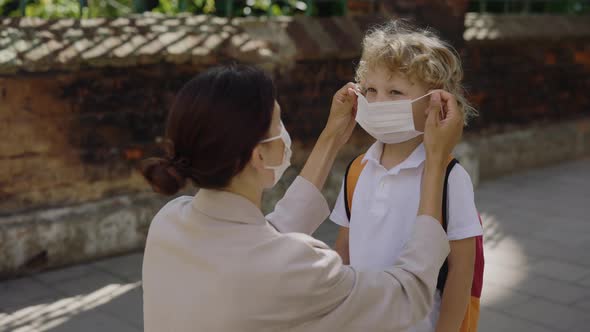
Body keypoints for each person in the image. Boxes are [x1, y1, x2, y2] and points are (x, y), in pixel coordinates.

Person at [141, 64, 464, 332]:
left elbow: (265, 238)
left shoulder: (169, 222)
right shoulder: (293, 266)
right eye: (278, 121)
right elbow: (408, 295)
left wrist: (331, 137)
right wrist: (435, 163)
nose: (285, 130)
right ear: (259, 154)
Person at [331, 20, 483, 332]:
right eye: (371, 90)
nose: (377, 102)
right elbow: (344, 247)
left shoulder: (449, 177)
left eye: (395, 92)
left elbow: (461, 269)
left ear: (435, 101)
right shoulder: (358, 169)